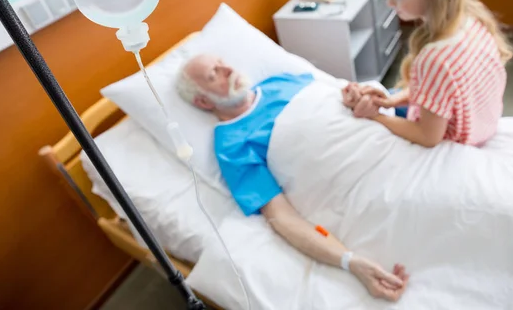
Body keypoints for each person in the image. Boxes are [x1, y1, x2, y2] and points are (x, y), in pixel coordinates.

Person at [176, 53, 410, 302]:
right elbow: (281, 216)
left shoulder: (279, 81)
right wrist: (350, 261)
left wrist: (352, 97)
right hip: (362, 180)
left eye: (223, 62)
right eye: (215, 74)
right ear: (203, 102)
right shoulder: (231, 144)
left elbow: (335, 98)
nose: (228, 69)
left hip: (389, 137)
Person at [345, 0, 513, 148]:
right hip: (482, 125)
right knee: (386, 93)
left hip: (460, 138)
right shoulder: (473, 17)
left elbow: (428, 137)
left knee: (359, 110)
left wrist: (376, 117)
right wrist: (391, 100)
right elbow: (444, 91)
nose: (389, 2)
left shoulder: (435, 58)